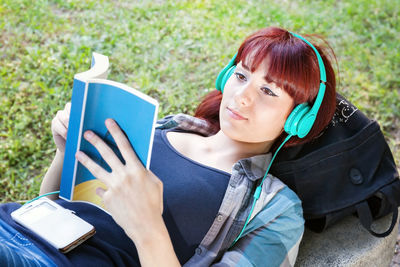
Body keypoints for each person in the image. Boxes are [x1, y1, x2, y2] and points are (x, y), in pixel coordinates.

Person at [0, 26, 337, 266]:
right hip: (12, 226)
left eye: (269, 91)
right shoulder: (167, 126)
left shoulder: (277, 209)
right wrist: (64, 152)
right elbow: (51, 203)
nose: (243, 96)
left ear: (299, 120)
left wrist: (148, 227)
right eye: (241, 76)